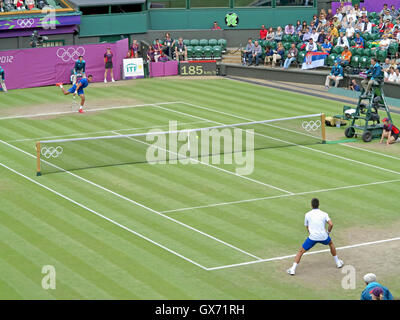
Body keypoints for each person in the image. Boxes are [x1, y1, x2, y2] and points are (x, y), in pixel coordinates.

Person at [287, 198, 344, 276]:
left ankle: (293, 269)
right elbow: (331, 224)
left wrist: (311, 233)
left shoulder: (307, 214)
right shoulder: (324, 214)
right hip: (324, 236)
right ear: (319, 204)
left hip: (312, 237)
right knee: (331, 244)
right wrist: (328, 233)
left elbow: (307, 226)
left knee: (300, 251)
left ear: (311, 205)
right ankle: (338, 262)